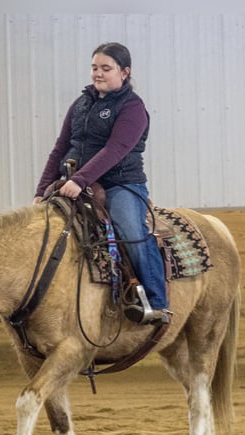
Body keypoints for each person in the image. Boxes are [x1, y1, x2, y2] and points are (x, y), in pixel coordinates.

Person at [34, 42, 171, 325]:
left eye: (106, 69)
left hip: (120, 183)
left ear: (124, 72)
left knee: (130, 228)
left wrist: (80, 178)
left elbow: (116, 149)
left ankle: (156, 301)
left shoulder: (133, 108)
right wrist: (42, 189)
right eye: (95, 67)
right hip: (73, 181)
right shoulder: (81, 104)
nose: (98, 74)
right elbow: (60, 148)